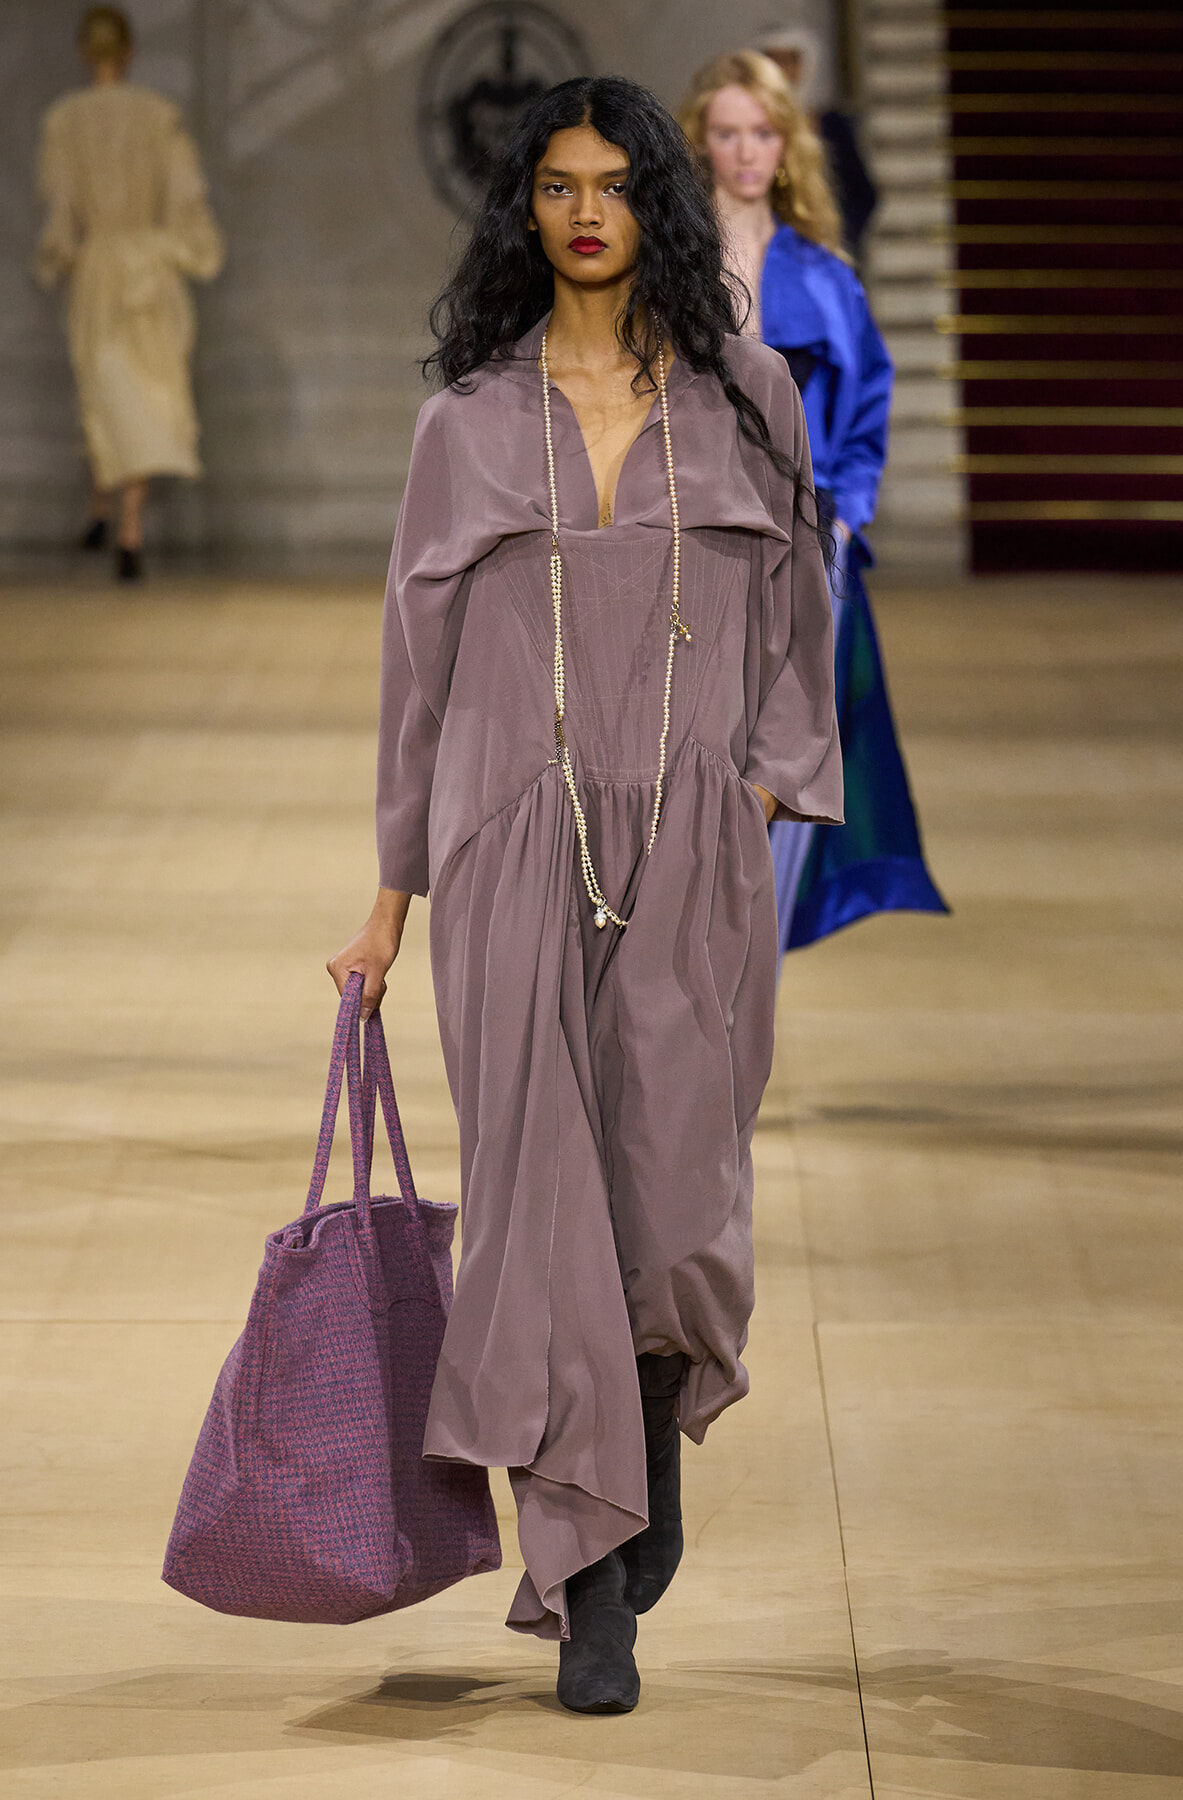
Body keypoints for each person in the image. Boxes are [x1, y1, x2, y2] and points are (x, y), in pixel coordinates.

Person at [327, 75, 841, 1714]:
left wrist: (761, 790)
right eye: (557, 184)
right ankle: (588, 1573)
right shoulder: (467, 422)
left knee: (677, 1199)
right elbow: (415, 673)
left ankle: (647, 1484)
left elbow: (802, 615)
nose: (586, 208)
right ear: (526, 211)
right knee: (547, 1207)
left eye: (615, 182)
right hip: (507, 842)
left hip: (691, 847)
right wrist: (395, 893)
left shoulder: (750, 396)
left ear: (659, 205)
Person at [680, 50, 947, 953]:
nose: (746, 151)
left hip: (808, 543)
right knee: (690, 756)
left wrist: (845, 517)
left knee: (793, 764)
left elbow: (868, 405)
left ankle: (747, 973)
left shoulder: (826, 277)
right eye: (727, 133)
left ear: (788, 145)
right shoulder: (664, 273)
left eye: (762, 132)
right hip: (688, 540)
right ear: (700, 142)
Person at [33, 6, 224, 580]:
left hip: (98, 267)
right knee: (139, 389)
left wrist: (57, 257)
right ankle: (128, 528)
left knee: (107, 388)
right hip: (149, 265)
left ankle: (109, 511)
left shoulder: (65, 121)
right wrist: (187, 249)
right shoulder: (158, 116)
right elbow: (186, 197)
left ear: (83, 52)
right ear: (131, 50)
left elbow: (62, 209)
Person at [752, 21, 877, 262]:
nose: (782, 69)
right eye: (773, 60)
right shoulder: (746, 127)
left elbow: (863, 195)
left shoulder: (831, 126)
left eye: (790, 60)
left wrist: (835, 240)